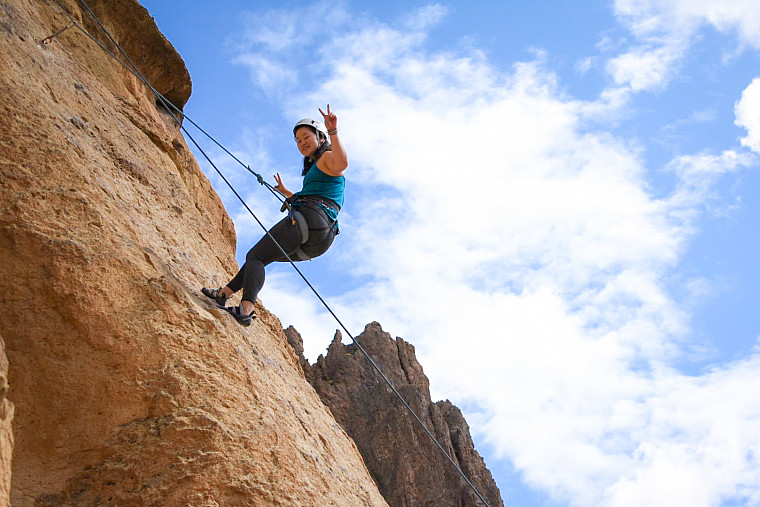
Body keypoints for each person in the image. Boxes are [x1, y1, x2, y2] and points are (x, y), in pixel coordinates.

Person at [201, 105, 347, 326]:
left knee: (256, 257)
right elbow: (316, 195)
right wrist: (288, 193)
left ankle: (245, 310)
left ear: (319, 136)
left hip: (311, 219)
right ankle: (223, 294)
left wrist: (334, 131)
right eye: (298, 141)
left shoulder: (327, 157)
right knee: (259, 257)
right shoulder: (317, 169)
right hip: (321, 237)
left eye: (306, 137)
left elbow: (342, 163)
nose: (302, 143)